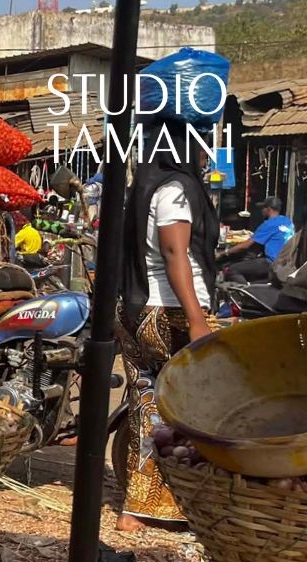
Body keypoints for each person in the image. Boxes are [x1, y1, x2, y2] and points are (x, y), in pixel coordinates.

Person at [117, 118, 218, 533]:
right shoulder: (176, 189)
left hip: (135, 308)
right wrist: (197, 321)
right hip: (171, 311)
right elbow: (175, 252)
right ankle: (190, 503)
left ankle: (136, 510)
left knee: (148, 408)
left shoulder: (142, 188)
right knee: (196, 410)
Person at [219, 196, 295, 283]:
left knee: (232, 270)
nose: (262, 211)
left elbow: (246, 245)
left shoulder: (269, 224)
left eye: (263, 208)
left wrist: (224, 252)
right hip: (285, 263)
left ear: (268, 209)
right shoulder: (288, 222)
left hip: (271, 263)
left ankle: (245, 293)